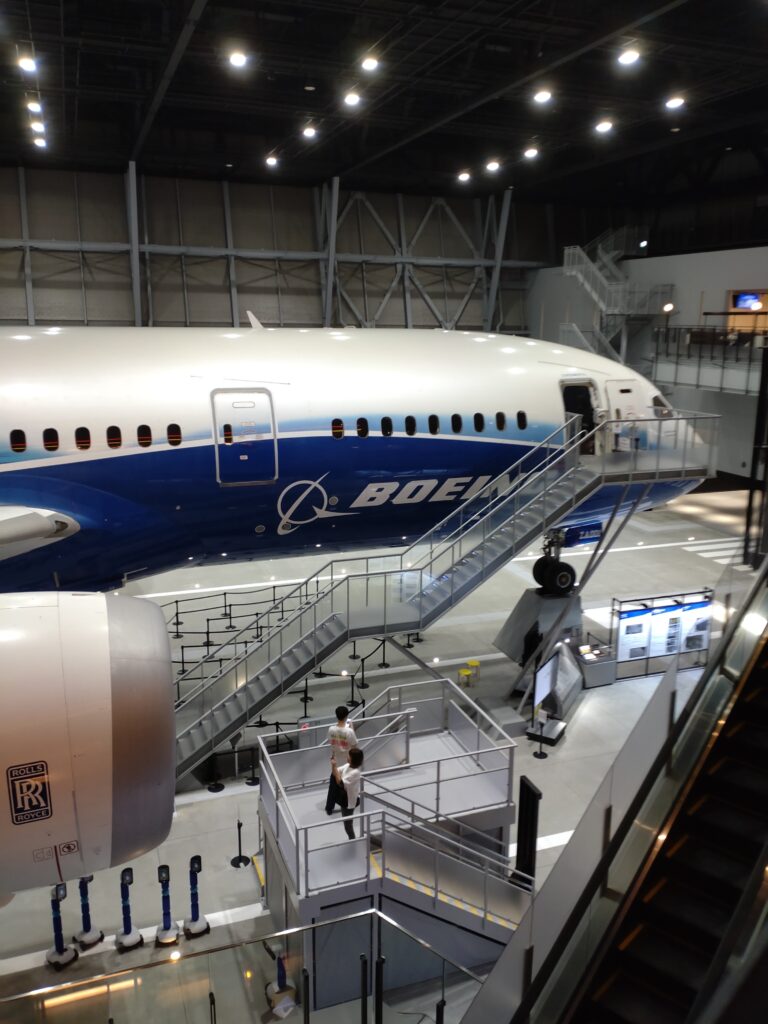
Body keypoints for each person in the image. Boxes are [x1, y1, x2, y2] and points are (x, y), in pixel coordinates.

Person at [325, 705, 357, 815]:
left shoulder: (331, 729)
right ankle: (349, 804)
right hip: (347, 762)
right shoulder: (349, 731)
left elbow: (331, 741)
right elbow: (354, 745)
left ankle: (329, 808)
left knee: (333, 785)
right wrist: (351, 728)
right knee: (348, 785)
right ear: (346, 716)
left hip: (336, 761)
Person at [331, 747, 364, 839]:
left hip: (349, 801)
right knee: (347, 824)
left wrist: (334, 766)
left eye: (349, 756)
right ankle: (352, 839)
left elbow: (340, 782)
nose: (347, 757)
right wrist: (333, 765)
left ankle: (352, 840)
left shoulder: (355, 772)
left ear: (354, 759)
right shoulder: (347, 766)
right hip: (344, 798)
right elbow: (335, 773)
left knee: (348, 826)